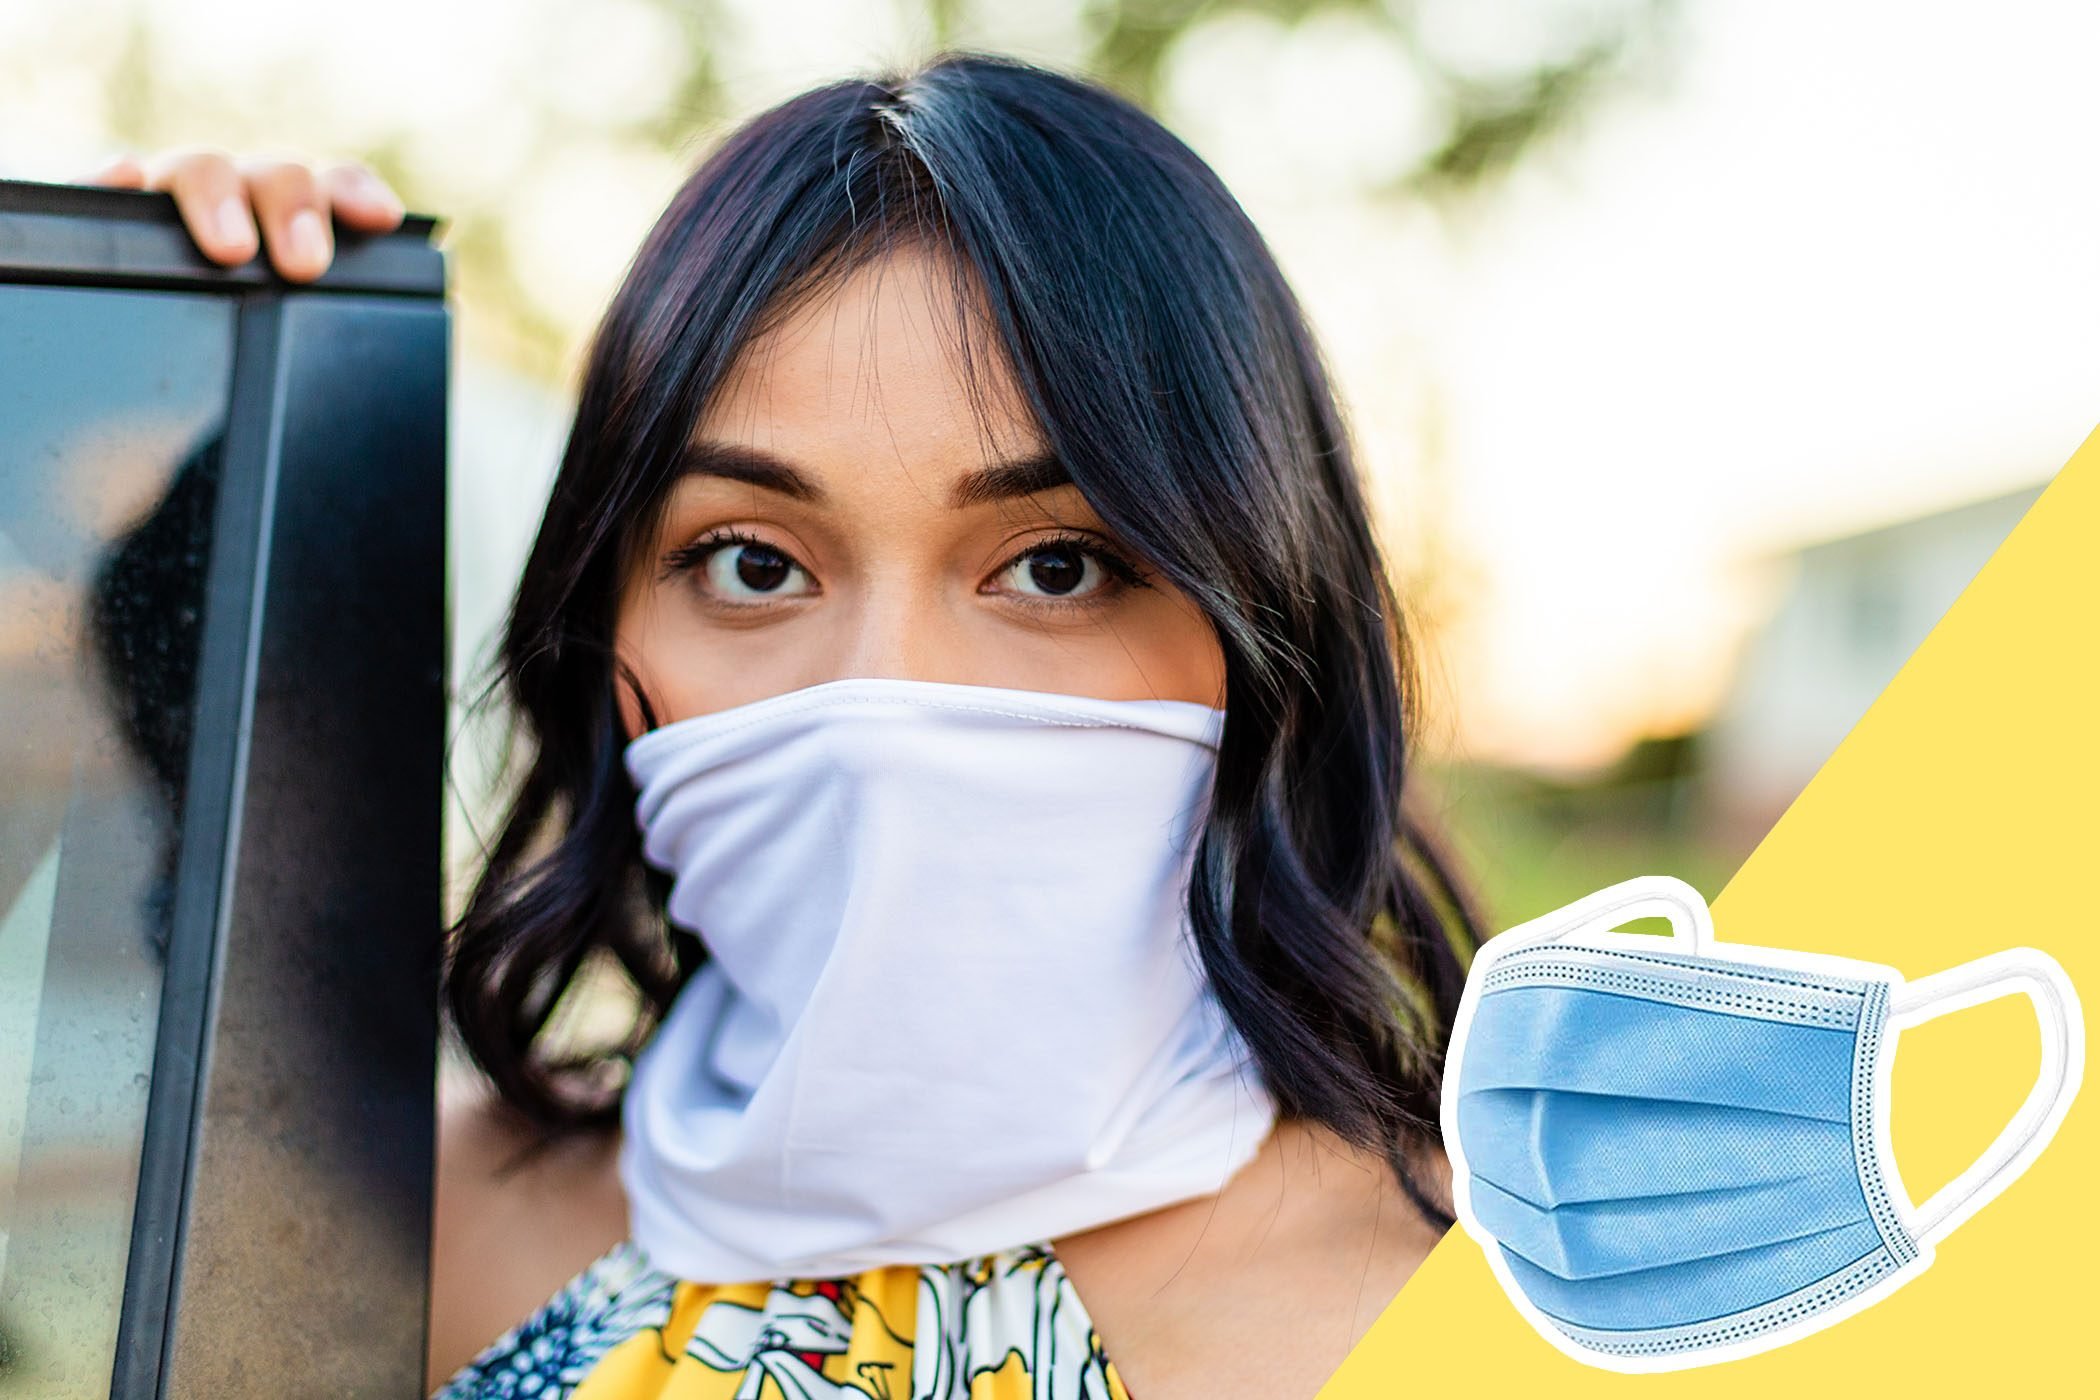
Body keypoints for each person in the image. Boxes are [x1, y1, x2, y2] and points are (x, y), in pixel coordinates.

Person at [92, 49, 1484, 1400]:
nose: (883, 701)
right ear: (605, 626)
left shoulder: (1514, 1306)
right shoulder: (394, 1231)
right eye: (754, 563)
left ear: (1266, 623)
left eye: (1057, 565)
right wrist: (159, 330)